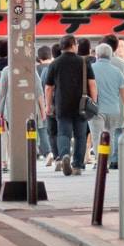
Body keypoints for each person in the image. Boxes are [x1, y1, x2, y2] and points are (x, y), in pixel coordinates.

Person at [46, 38, 89, 175]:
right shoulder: (83, 62)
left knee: (63, 133)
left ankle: (64, 155)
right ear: (73, 45)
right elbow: (92, 84)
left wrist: (48, 105)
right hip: (81, 105)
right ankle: (77, 166)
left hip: (61, 103)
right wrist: (93, 101)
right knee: (80, 136)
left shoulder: (54, 63)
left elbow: (48, 88)